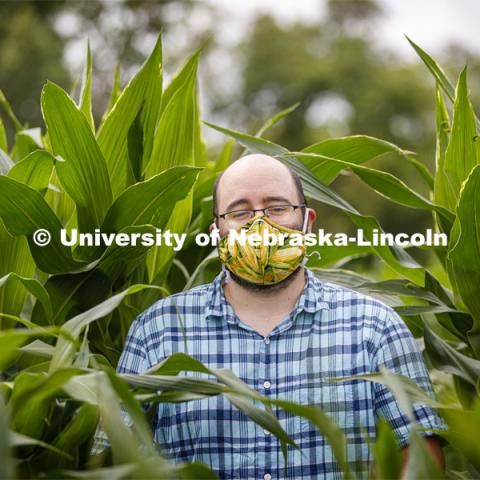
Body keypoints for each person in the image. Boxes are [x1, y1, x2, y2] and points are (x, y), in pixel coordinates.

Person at [92, 154, 446, 478]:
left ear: (306, 221)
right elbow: (115, 461)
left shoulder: (376, 328)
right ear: (217, 231)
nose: (260, 226)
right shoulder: (159, 331)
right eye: (240, 212)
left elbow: (420, 462)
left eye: (277, 208)